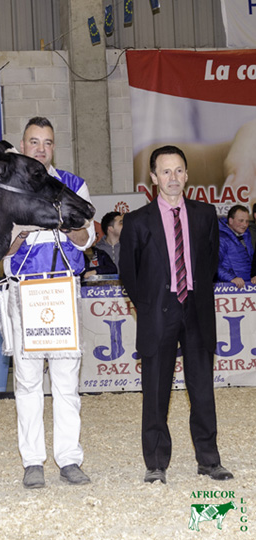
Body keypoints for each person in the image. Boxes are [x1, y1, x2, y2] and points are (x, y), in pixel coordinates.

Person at [120, 145, 233, 484]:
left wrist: (192, 292)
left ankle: (209, 460)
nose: (173, 177)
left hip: (197, 310)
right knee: (156, 391)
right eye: (165, 171)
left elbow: (210, 261)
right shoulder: (138, 221)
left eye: (178, 170)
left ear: (187, 174)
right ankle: (156, 462)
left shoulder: (204, 214)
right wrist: (151, 303)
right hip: (159, 312)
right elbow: (129, 272)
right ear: (153, 178)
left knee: (201, 391)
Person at [4, 116, 95, 489]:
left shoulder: (73, 185)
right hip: (24, 291)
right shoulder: (7, 189)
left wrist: (63, 220)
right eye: (34, 142)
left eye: (47, 143)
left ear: (54, 147)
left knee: (65, 382)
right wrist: (21, 232)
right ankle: (32, 462)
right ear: (22, 147)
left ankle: (69, 459)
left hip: (62, 290)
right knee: (26, 383)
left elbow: (87, 238)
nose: (41, 149)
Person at [217, 204, 255, 289]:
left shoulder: (246, 235)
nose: (244, 224)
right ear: (230, 221)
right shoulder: (221, 238)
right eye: (241, 221)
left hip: (248, 287)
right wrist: (231, 278)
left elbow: (252, 260)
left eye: (247, 221)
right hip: (229, 288)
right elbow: (214, 264)